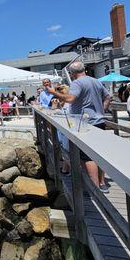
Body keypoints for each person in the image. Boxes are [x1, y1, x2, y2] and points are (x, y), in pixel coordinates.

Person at [45, 61, 111, 192]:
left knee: (87, 157)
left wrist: (54, 92)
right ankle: (102, 183)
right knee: (99, 154)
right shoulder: (95, 81)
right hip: (99, 121)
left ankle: (95, 189)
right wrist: (101, 111)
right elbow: (108, 97)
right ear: (84, 69)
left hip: (84, 123)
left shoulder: (77, 83)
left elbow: (70, 99)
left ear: (72, 73)